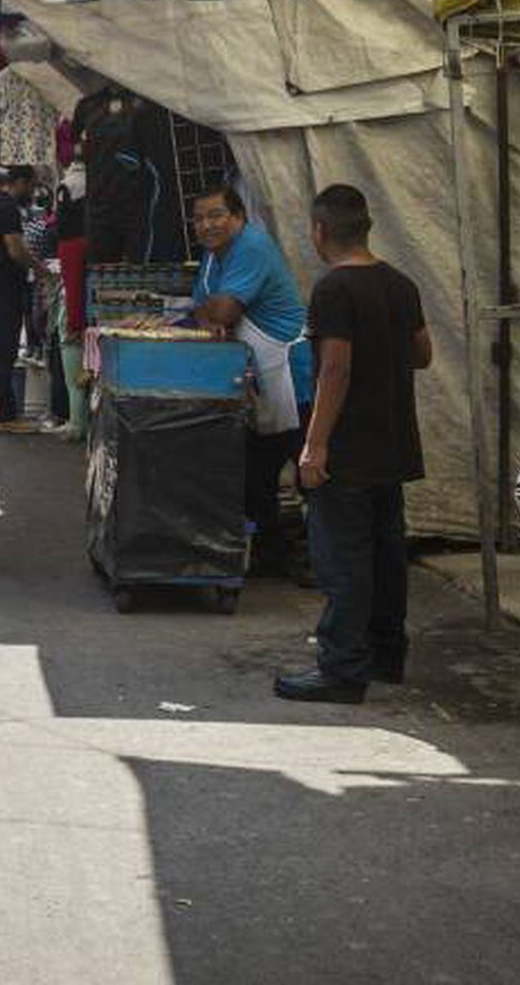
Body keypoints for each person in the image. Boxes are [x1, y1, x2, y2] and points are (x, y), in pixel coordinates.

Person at [275, 185, 430, 705]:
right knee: (387, 554)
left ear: (320, 232)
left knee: (343, 559)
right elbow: (423, 353)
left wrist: (314, 446)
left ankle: (342, 668)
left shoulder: (333, 290)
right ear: (367, 227)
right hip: (393, 442)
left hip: (349, 448)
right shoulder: (400, 284)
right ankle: (386, 654)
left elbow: (335, 367)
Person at [190, 184, 309, 578]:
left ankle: (320, 560)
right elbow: (201, 310)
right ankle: (270, 553)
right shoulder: (212, 257)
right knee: (256, 474)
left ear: (238, 217)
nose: (207, 225)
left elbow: (221, 312)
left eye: (216, 215)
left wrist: (214, 314)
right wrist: (211, 313)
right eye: (200, 218)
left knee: (309, 471)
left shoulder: (251, 247)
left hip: (292, 373)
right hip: (257, 377)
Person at [0, 166, 46, 432]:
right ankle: (5, 415)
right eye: (31, 185)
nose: (33, 192)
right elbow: (15, 249)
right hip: (4, 290)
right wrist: (39, 268)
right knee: (3, 354)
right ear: (19, 182)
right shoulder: (6, 209)